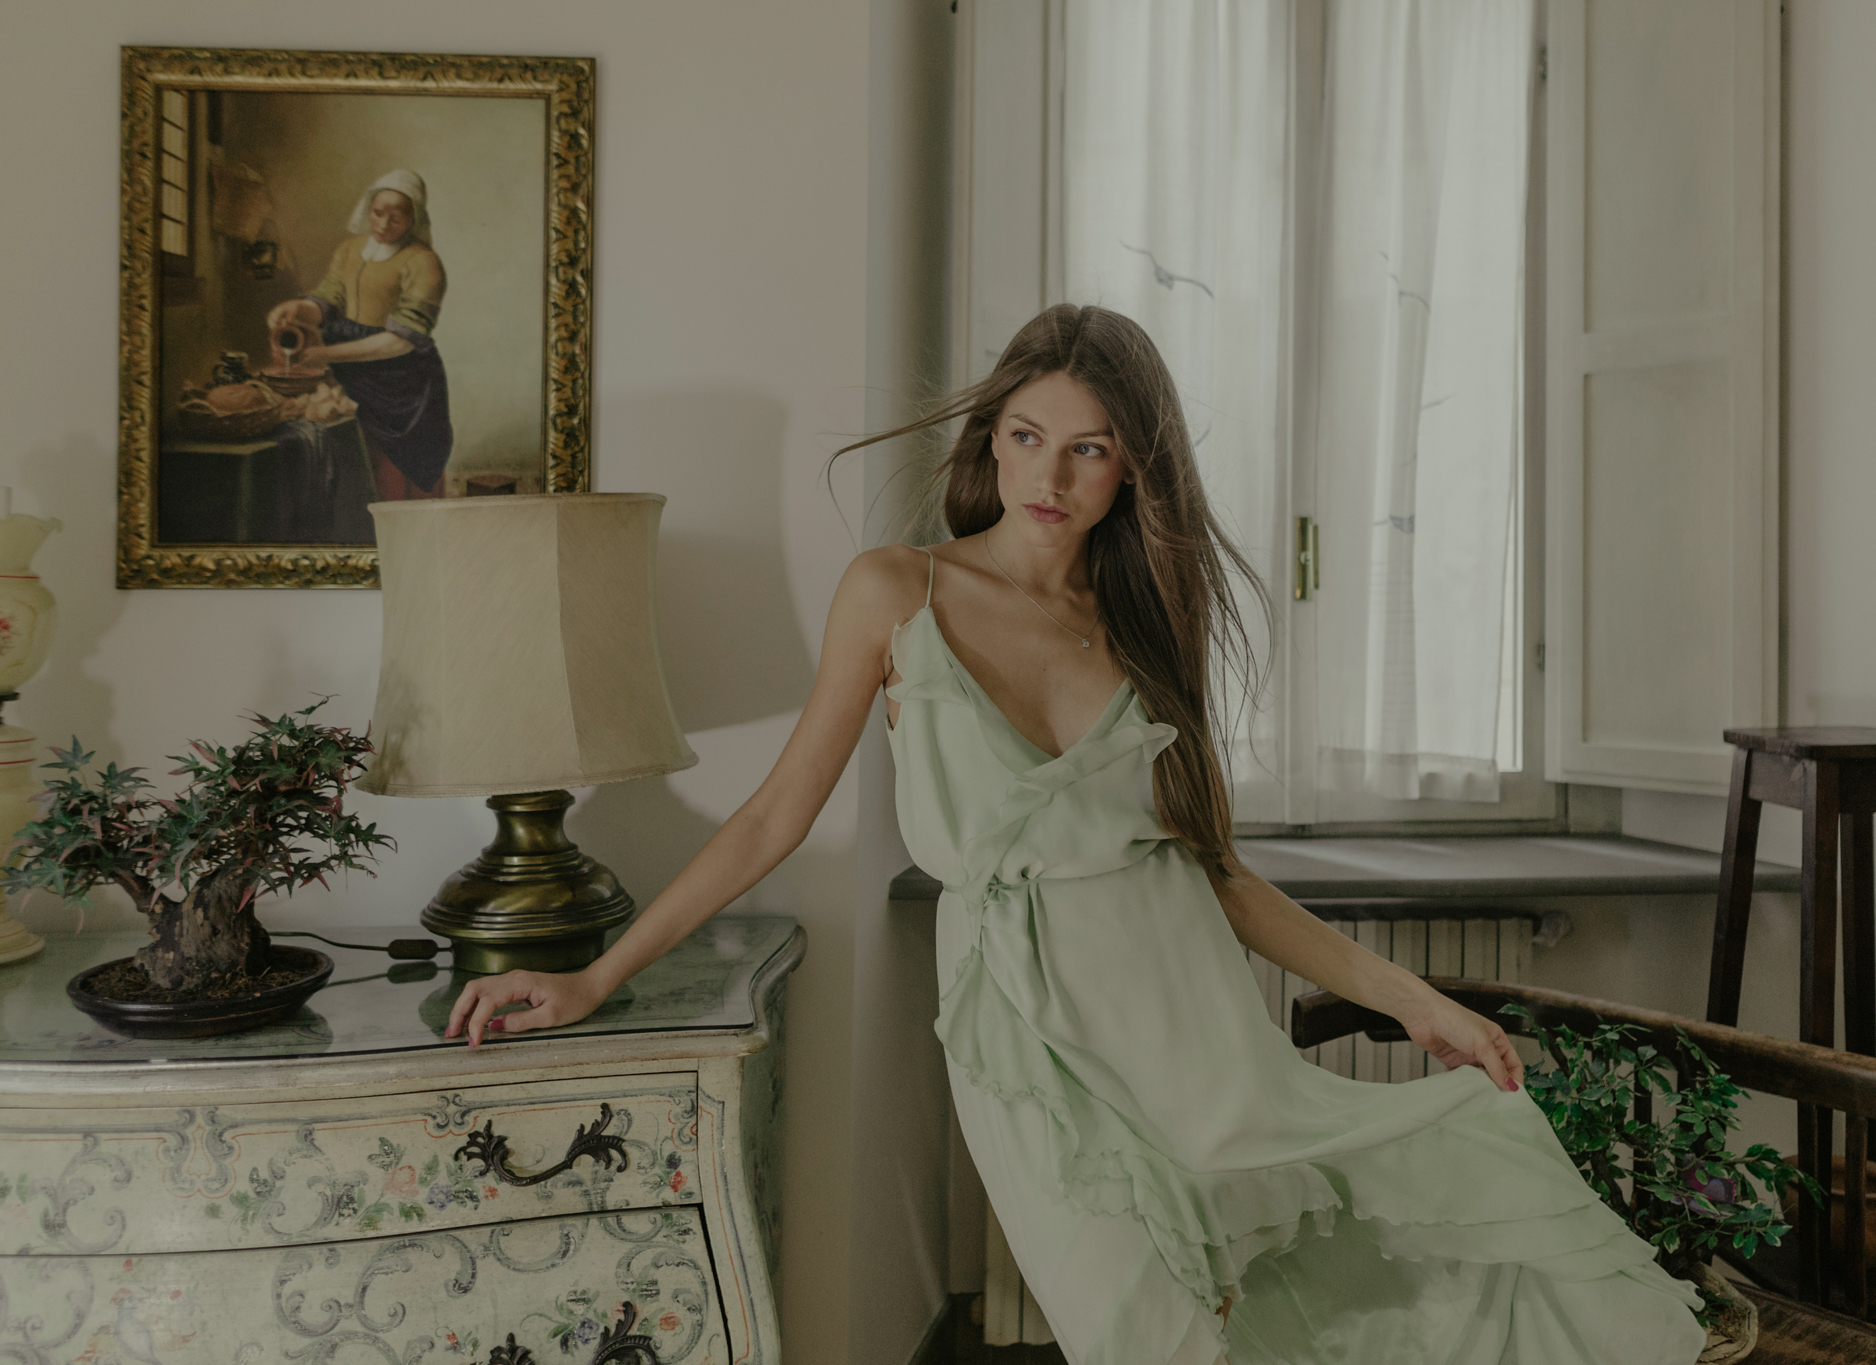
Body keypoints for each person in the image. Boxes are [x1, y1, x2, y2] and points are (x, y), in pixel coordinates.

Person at [443, 306, 1708, 1365]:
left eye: (1087, 450)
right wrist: (596, 974)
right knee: (1132, 1328)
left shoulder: (1146, 628)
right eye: (1026, 438)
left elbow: (1219, 878)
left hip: (1188, 1029)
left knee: (1274, 1313)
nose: (1048, 479)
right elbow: (776, 813)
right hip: (1021, 1025)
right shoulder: (897, 591)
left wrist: (1414, 1003)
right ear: (989, 441)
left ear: (1133, 468)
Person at [266, 169, 453, 501]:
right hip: (351, 373)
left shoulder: (424, 262)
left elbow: (402, 340)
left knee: (394, 472)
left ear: (413, 219)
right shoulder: (349, 250)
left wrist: (325, 355)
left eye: (396, 218)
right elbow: (329, 300)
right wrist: (298, 309)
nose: (383, 224)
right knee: (350, 464)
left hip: (402, 381)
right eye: (377, 213)